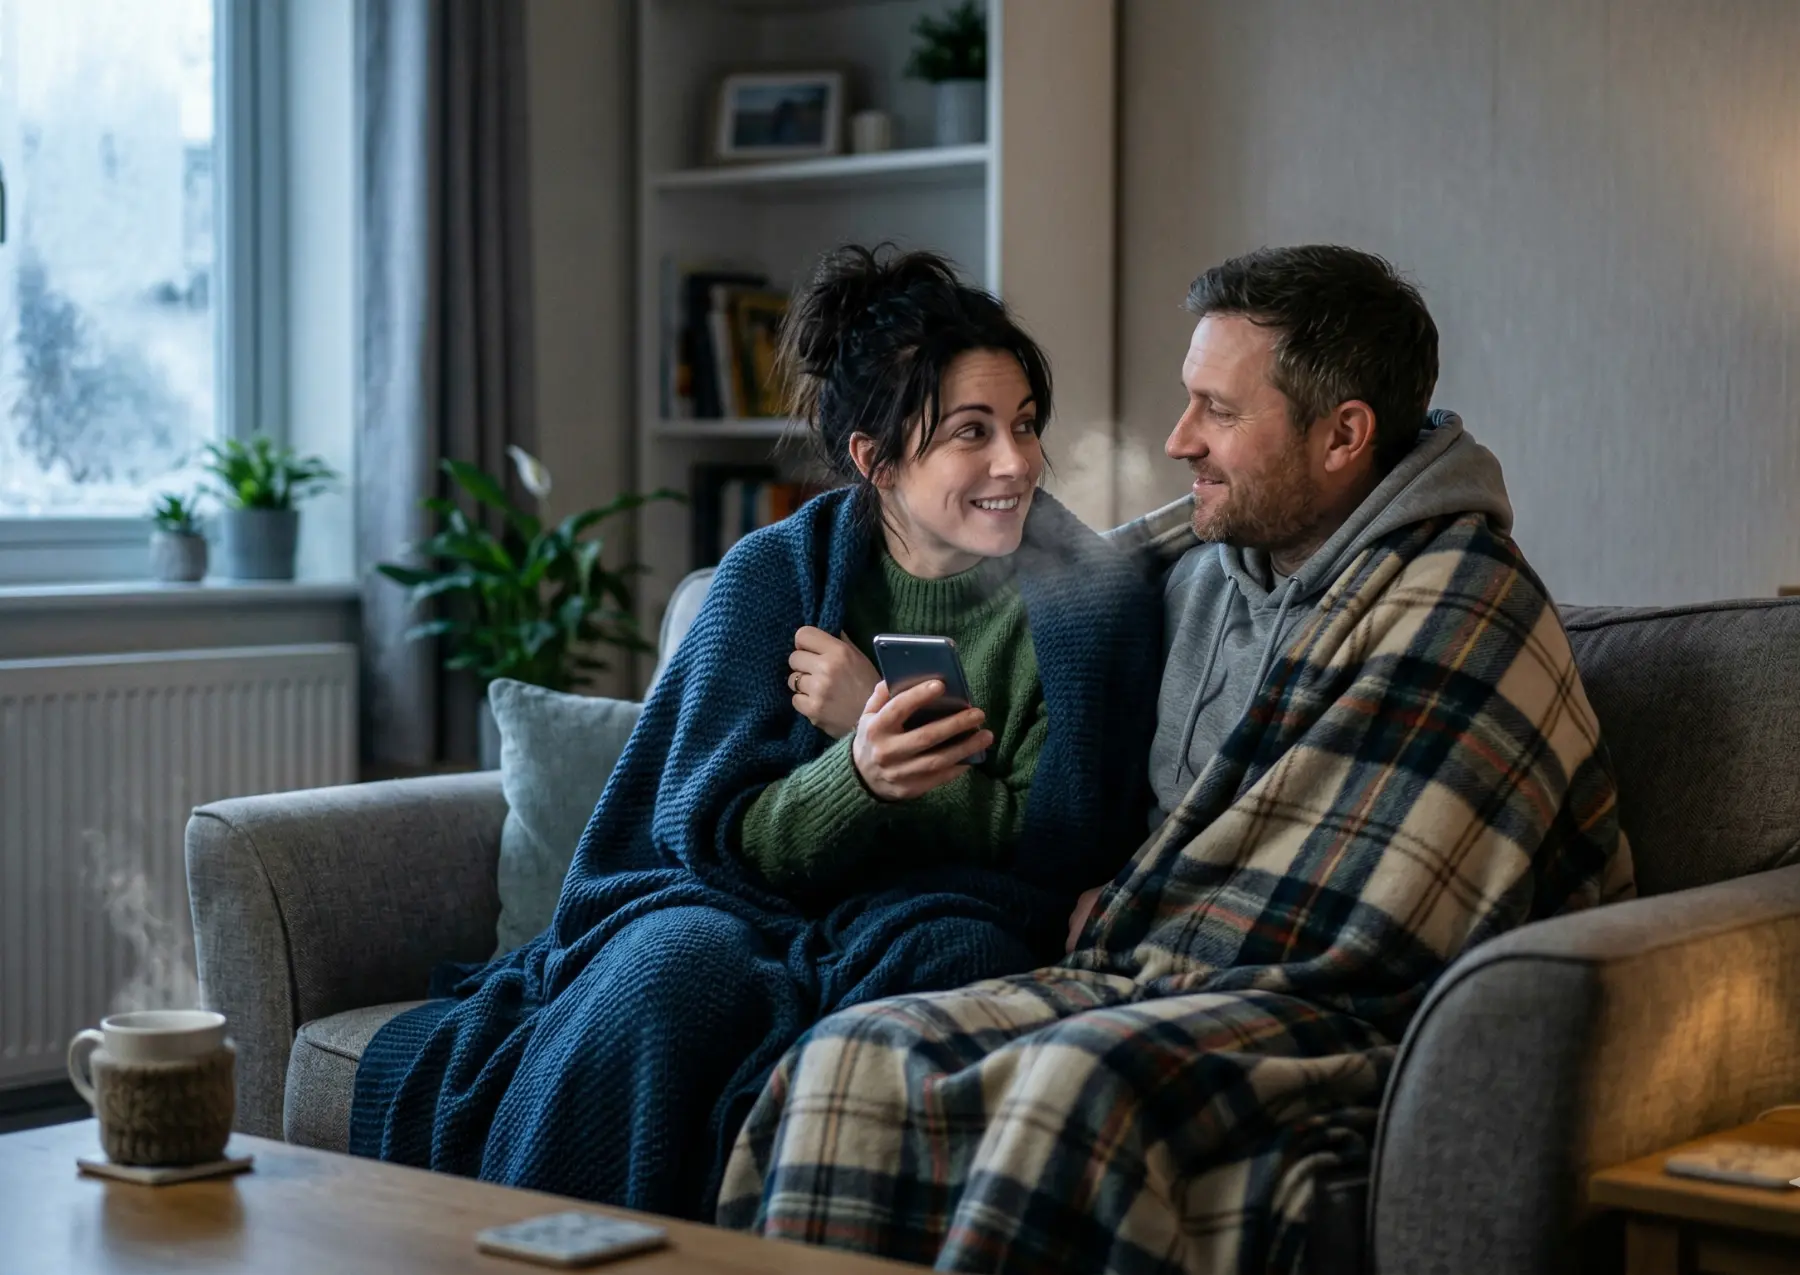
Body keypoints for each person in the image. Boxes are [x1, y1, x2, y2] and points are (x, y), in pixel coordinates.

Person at [719, 245, 1637, 1274]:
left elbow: (1383, 921)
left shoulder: (1462, 607)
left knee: (1076, 1091)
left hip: (1332, 1004)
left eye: (1218, 411)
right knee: (853, 1054)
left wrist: (1139, 902)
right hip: (1149, 964)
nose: (1178, 439)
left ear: (1344, 435)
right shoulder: (1201, 578)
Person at [347, 245, 1161, 1222]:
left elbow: (1056, 846)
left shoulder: (1087, 603)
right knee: (670, 966)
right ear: (877, 459)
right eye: (971, 433)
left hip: (946, 912)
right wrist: (856, 779)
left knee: (952, 967)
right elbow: (709, 835)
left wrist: (873, 729)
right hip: (738, 903)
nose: (1017, 463)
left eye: (1026, 426)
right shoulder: (771, 577)